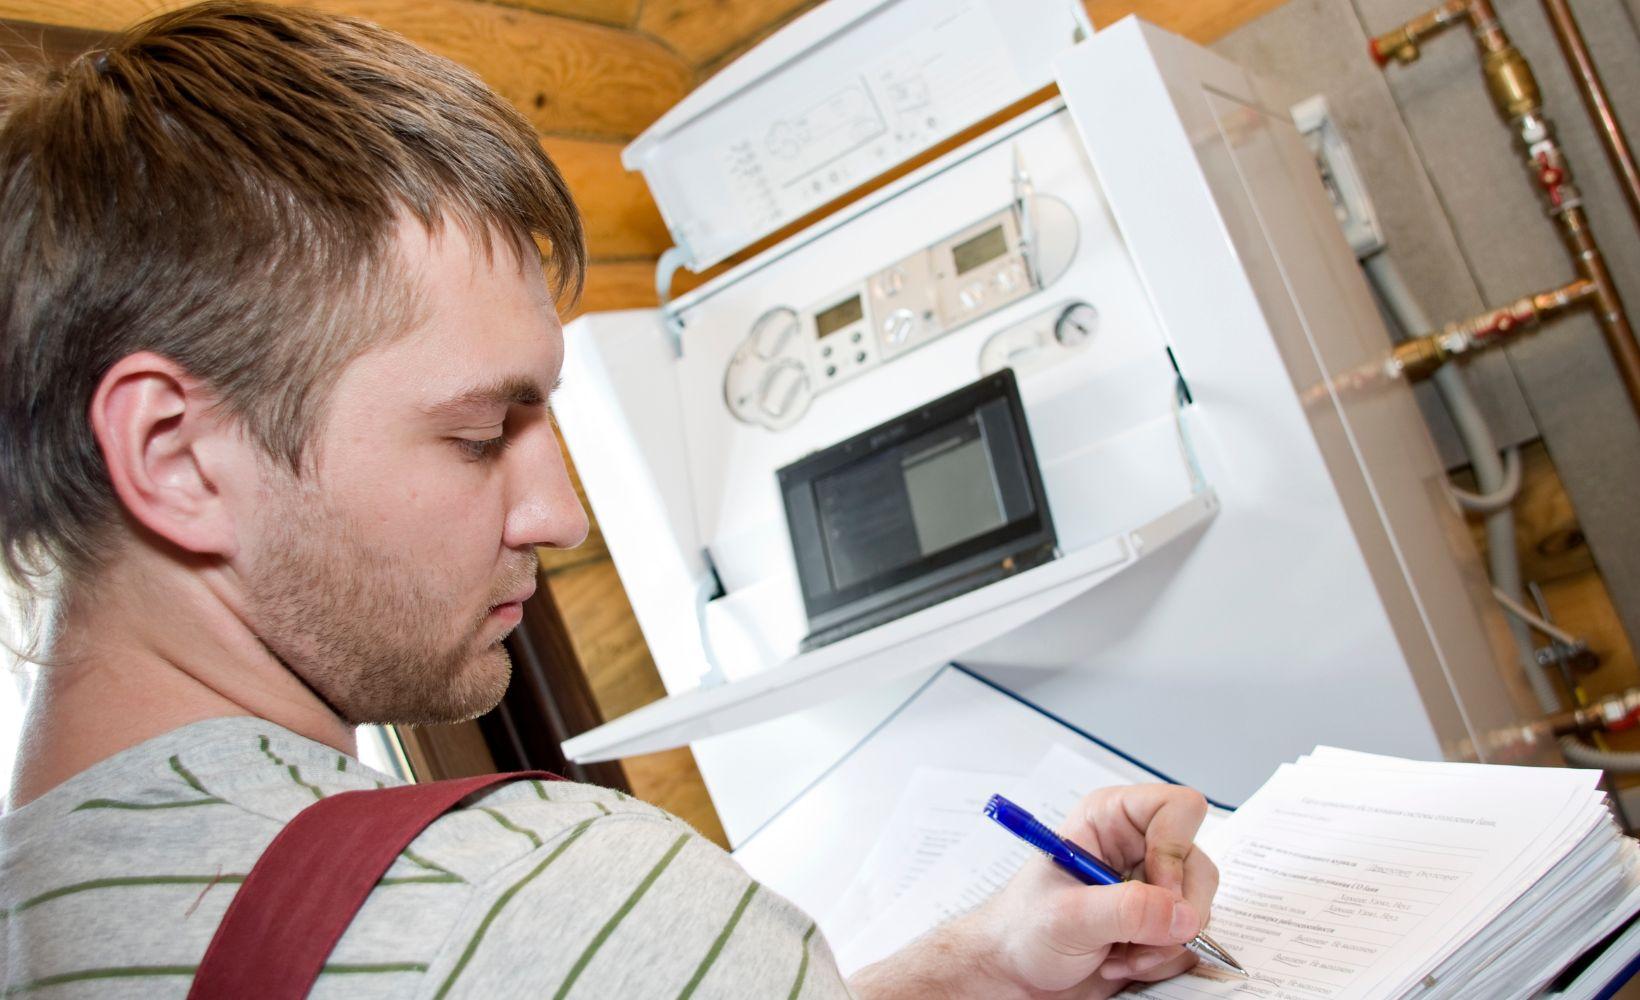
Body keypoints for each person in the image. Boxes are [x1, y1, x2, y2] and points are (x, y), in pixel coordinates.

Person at [0, 3, 1219, 996]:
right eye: (481, 434)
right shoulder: (545, 904)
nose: (558, 517)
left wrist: (979, 959)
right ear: (174, 454)